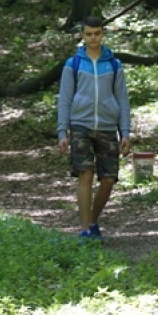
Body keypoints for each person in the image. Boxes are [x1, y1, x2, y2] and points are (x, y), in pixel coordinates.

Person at [57, 16, 131, 241]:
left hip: (108, 127)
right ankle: (85, 230)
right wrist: (62, 132)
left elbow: (122, 99)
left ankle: (93, 220)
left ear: (103, 33)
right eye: (89, 34)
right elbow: (65, 99)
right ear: (82, 35)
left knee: (108, 180)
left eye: (97, 33)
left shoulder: (114, 64)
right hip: (81, 124)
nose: (93, 38)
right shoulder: (73, 64)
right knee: (85, 174)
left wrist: (125, 132)